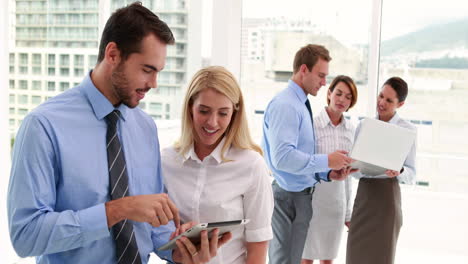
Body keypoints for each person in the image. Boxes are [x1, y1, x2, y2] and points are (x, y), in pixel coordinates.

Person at [7, 3, 230, 264]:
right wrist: (117, 210)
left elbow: (155, 229)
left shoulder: (145, 127)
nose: (153, 84)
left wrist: (178, 251)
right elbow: (25, 236)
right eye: (147, 70)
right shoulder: (43, 126)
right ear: (112, 54)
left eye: (158, 72)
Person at [161, 66, 274, 264]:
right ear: (190, 107)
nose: (212, 122)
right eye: (204, 111)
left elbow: (258, 244)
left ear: (234, 113)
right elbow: (156, 231)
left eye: (223, 113)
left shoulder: (251, 165)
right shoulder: (166, 161)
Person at [261, 44, 356, 264]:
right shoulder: (287, 105)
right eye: (321, 75)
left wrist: (326, 174)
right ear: (304, 70)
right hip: (289, 198)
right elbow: (283, 158)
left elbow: (299, 157)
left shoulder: (299, 103)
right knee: (285, 261)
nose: (324, 83)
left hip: (299, 195)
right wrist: (327, 160)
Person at [346, 77, 417, 264]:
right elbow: (356, 170)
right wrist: (354, 166)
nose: (382, 103)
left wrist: (399, 171)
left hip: (387, 200)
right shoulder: (364, 125)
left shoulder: (407, 130)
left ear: (400, 104)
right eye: (381, 96)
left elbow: (412, 174)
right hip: (364, 196)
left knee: (382, 258)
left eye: (389, 100)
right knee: (355, 256)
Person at [301, 75, 359, 264]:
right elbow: (306, 164)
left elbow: (349, 176)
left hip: (336, 204)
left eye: (348, 97)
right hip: (313, 203)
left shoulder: (351, 129)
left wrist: (348, 213)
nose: (342, 100)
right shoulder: (312, 125)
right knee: (306, 258)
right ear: (329, 93)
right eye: (339, 93)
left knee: (328, 259)